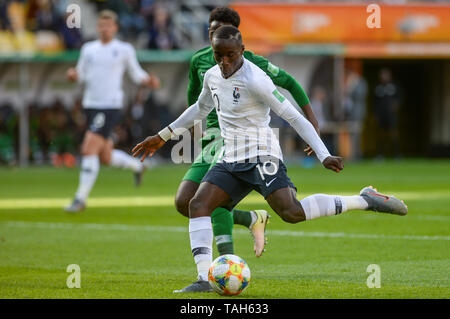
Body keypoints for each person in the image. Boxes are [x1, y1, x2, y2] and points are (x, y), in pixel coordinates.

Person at [132, 26, 408, 293]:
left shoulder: (256, 80)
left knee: (292, 213)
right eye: (219, 56)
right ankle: (204, 278)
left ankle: (364, 199)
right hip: (230, 157)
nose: (225, 62)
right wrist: (163, 136)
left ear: (242, 50)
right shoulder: (212, 76)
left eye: (231, 55)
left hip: (262, 154)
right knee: (198, 204)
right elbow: (200, 108)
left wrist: (323, 154)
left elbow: (292, 116)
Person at [174, 7, 320, 261]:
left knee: (204, 201)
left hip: (237, 139)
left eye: (220, 32)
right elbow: (195, 104)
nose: (214, 38)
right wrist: (191, 132)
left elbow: (290, 83)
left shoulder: (253, 63)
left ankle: (223, 266)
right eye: (211, 32)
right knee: (185, 201)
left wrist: (312, 120)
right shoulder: (199, 60)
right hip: (212, 138)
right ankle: (250, 218)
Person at [65, 10, 160, 212]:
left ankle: (80, 199)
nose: (104, 29)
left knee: (88, 148)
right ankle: (138, 166)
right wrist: (74, 75)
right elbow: (81, 74)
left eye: (108, 25)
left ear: (115, 28)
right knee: (104, 156)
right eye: (101, 25)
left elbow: (136, 73)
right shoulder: (88, 49)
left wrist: (147, 80)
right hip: (90, 104)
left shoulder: (124, 49)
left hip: (110, 105)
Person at [374, 68, 401, 159]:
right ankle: (380, 154)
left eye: (386, 75)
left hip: (391, 115)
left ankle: (396, 154)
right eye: (382, 75)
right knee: (381, 135)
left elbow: (400, 97)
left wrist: (397, 104)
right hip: (381, 115)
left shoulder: (394, 86)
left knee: (393, 134)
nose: (384, 77)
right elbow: (375, 102)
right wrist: (376, 114)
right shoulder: (378, 87)